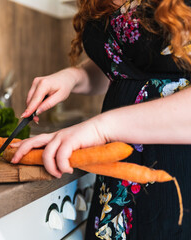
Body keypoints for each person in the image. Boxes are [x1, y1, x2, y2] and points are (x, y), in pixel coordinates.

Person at [10, 0, 191, 239]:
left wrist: (101, 128)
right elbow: (124, 64)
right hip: (117, 177)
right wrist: (75, 76)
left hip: (178, 174)